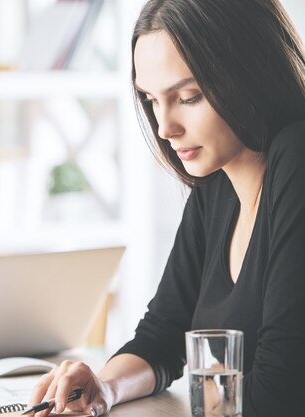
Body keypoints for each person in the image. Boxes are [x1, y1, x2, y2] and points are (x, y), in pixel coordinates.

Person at [28, 0, 305, 416]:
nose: (164, 127)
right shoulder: (216, 185)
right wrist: (104, 386)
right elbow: (163, 335)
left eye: (189, 97)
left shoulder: (297, 158)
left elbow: (277, 391)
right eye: (151, 99)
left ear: (251, 72)